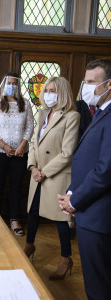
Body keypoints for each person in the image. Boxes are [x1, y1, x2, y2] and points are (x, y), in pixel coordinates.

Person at [58, 58, 111, 299]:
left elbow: (105, 170)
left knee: (99, 287)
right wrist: (71, 192)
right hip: (91, 212)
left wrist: (75, 200)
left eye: (92, 82)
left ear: (109, 85)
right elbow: (87, 160)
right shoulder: (101, 112)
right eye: (85, 81)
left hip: (99, 217)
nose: (86, 87)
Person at [24, 76, 80, 280]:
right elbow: (33, 143)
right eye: (46, 90)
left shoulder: (71, 116)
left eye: (52, 90)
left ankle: (66, 258)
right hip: (37, 173)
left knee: (60, 220)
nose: (48, 94)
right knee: (33, 213)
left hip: (54, 175)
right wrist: (32, 167)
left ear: (62, 92)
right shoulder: (43, 113)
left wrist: (44, 172)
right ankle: (29, 246)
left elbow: (67, 153)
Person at [0, 72, 34, 236]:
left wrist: (22, 146)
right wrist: (4, 146)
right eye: (10, 83)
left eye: (15, 83)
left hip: (20, 153)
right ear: (3, 85)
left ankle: (14, 220)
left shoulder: (26, 104)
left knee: (16, 187)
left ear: (18, 86)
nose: (12, 86)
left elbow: (29, 127)